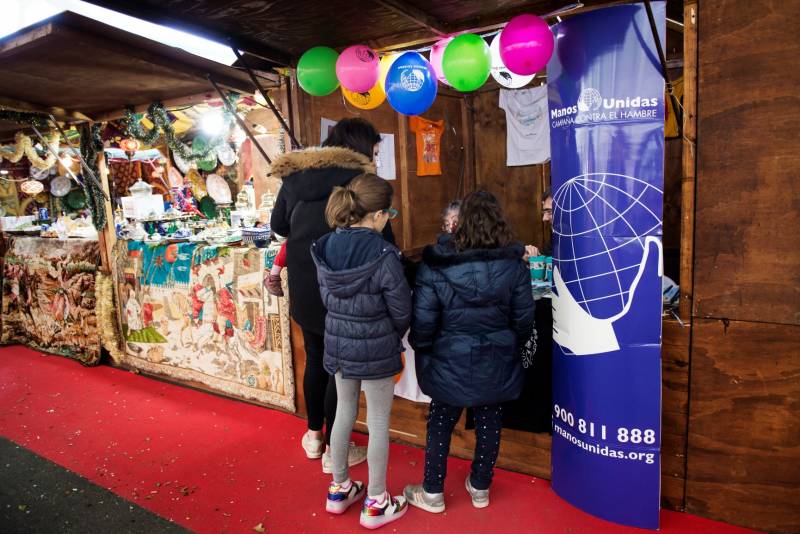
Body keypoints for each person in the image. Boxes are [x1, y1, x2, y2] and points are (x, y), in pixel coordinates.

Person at [270, 118, 395, 472]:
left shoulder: (296, 176)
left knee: (315, 357)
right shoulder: (360, 181)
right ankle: (332, 454)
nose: (375, 156)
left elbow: (278, 226)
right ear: (360, 146)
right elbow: (383, 238)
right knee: (336, 366)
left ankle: (314, 437)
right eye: (373, 149)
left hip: (305, 284)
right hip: (342, 284)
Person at [404, 190, 535, 512]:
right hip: (496, 354)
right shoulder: (514, 266)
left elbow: (423, 321)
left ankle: (432, 491)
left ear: (459, 225)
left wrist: (423, 348)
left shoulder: (435, 265)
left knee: (440, 421)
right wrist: (511, 346)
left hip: (448, 355)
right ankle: (480, 486)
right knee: (490, 419)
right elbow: (524, 319)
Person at [311, 173, 411, 529]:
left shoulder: (324, 246)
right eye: (390, 213)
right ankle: (377, 500)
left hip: (338, 342)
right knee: (379, 421)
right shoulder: (383, 253)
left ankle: (339, 489)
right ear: (378, 214)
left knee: (343, 413)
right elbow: (401, 309)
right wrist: (389, 333)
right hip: (376, 345)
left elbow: (327, 298)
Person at [525, 188, 552, 258]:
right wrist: (534, 259)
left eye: (550, 212)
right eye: (544, 212)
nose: (544, 218)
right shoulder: (554, 240)